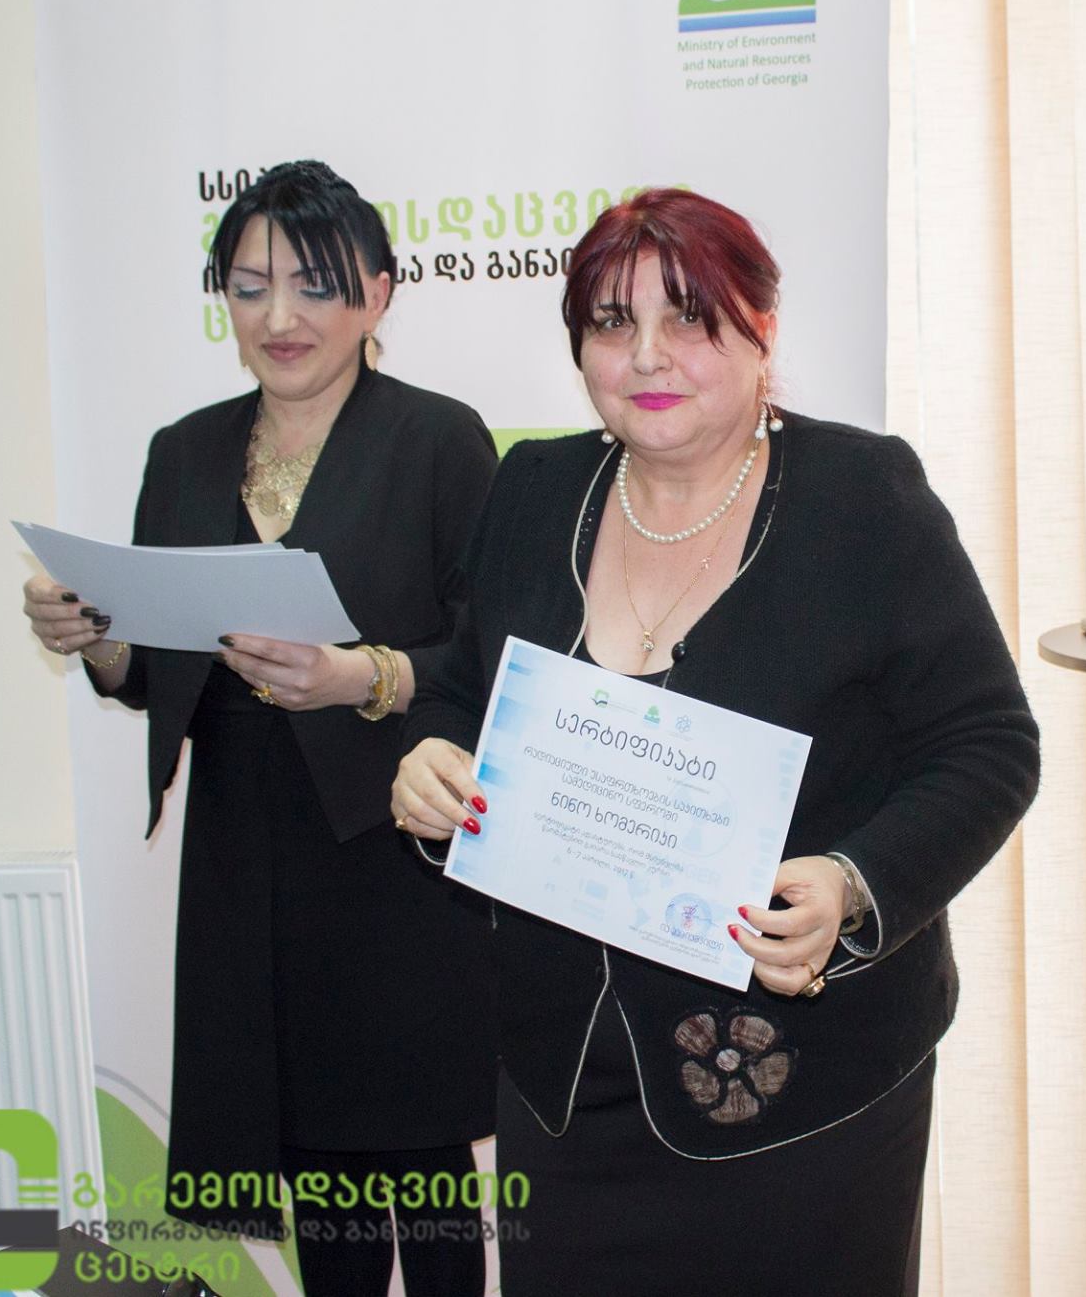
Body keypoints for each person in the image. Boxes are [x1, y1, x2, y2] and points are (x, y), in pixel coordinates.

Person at [390, 186, 1040, 1295]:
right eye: (611, 322)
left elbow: (989, 742)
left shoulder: (861, 498)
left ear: (761, 329)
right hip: (563, 1084)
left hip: (804, 1089)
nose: (647, 354)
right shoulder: (534, 490)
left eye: (688, 317)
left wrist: (853, 882)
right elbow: (458, 690)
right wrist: (429, 760)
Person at [20, 160, 501, 1296]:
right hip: (244, 851)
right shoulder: (184, 450)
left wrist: (360, 677)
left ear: (378, 293)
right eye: (248, 288)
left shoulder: (441, 441)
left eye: (314, 285)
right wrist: (93, 637)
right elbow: (153, 670)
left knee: (419, 1147)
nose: (279, 317)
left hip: (395, 841)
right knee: (307, 1148)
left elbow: (488, 656)